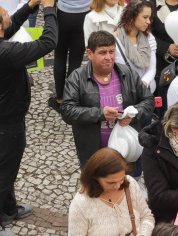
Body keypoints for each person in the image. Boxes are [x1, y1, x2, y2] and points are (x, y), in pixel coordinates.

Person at [0, 0, 57, 236]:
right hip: (6, 122)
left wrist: (31, 5)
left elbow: (8, 29)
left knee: (6, 165)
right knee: (5, 171)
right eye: (5, 13)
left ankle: (8, 209)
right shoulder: (5, 52)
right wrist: (49, 9)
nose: (9, 13)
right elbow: (49, 41)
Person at [60, 30, 154, 167]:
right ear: (89, 53)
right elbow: (67, 111)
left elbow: (148, 101)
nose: (108, 57)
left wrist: (133, 114)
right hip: (93, 154)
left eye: (111, 51)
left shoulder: (127, 73)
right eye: (103, 52)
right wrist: (100, 113)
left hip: (126, 152)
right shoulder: (77, 78)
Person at [67, 147, 155, 236]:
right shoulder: (81, 205)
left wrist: (143, 234)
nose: (118, 186)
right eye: (111, 182)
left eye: (121, 179)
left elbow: (146, 217)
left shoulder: (130, 184)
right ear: (95, 178)